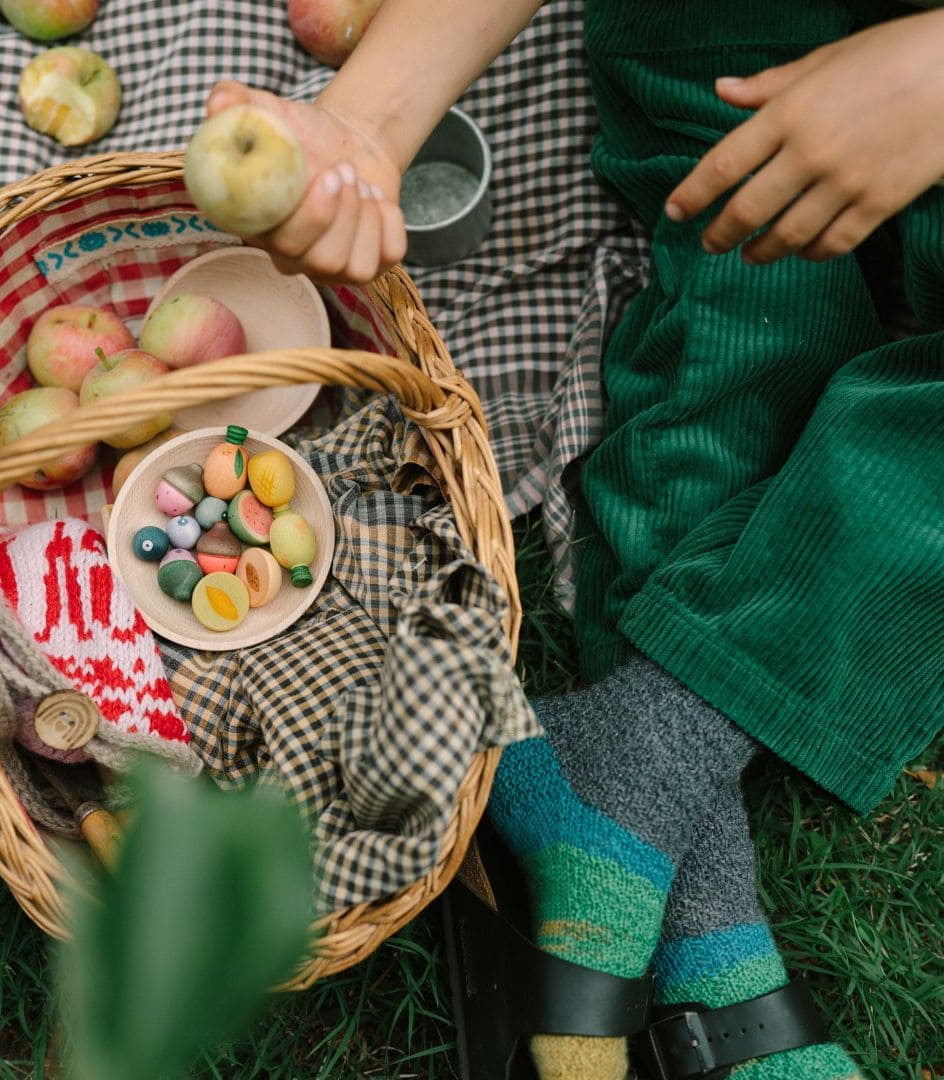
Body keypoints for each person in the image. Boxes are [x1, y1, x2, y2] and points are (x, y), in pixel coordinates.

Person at [204, 1, 944, 1077]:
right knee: (746, 340)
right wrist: (368, 120)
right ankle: (706, 930)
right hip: (741, 33)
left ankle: (638, 758)